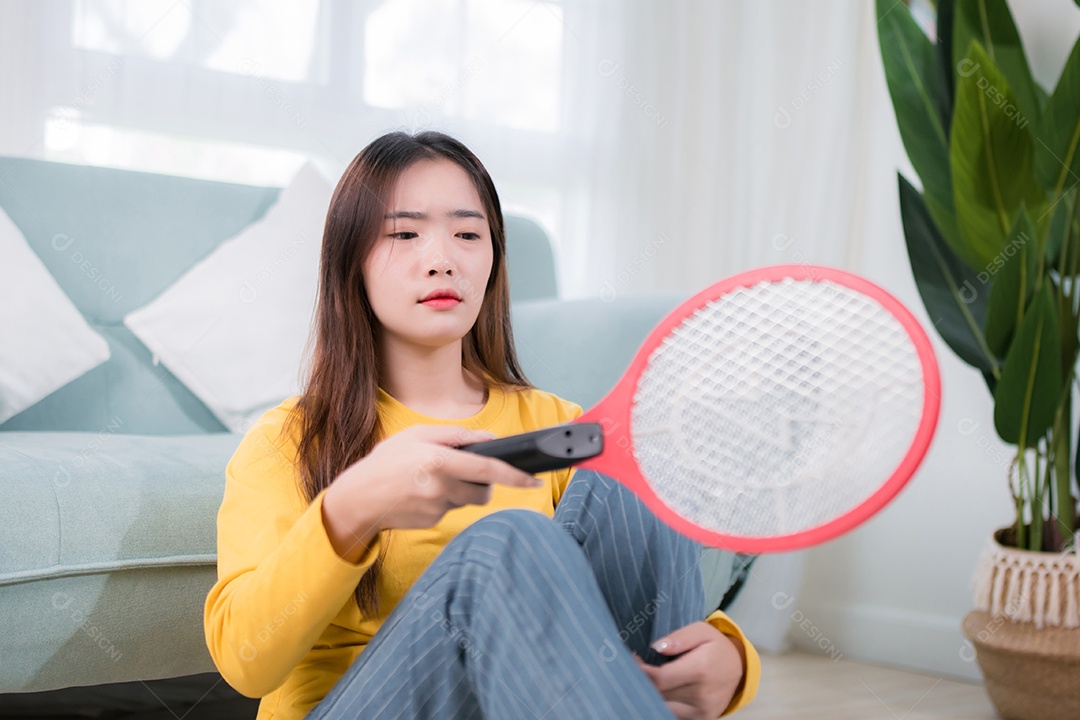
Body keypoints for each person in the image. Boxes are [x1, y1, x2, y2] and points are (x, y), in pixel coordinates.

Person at [203, 130, 760, 720]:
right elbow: (246, 665)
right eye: (404, 233)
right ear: (351, 264)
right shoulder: (288, 440)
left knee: (630, 468)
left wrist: (731, 655)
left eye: (468, 234)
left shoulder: (555, 423)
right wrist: (350, 509)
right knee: (504, 545)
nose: (442, 258)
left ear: (492, 260)